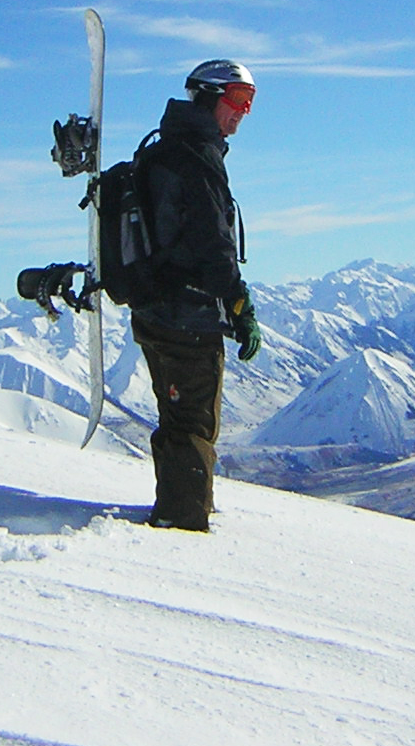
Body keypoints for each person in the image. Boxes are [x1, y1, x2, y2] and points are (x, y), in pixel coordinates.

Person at [131, 59, 262, 532]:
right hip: (188, 316)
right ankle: (182, 525)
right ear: (211, 97)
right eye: (239, 101)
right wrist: (239, 304)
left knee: (175, 415)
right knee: (192, 425)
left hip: (153, 309)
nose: (243, 113)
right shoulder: (197, 156)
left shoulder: (161, 149)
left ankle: (177, 507)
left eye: (249, 104)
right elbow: (214, 245)